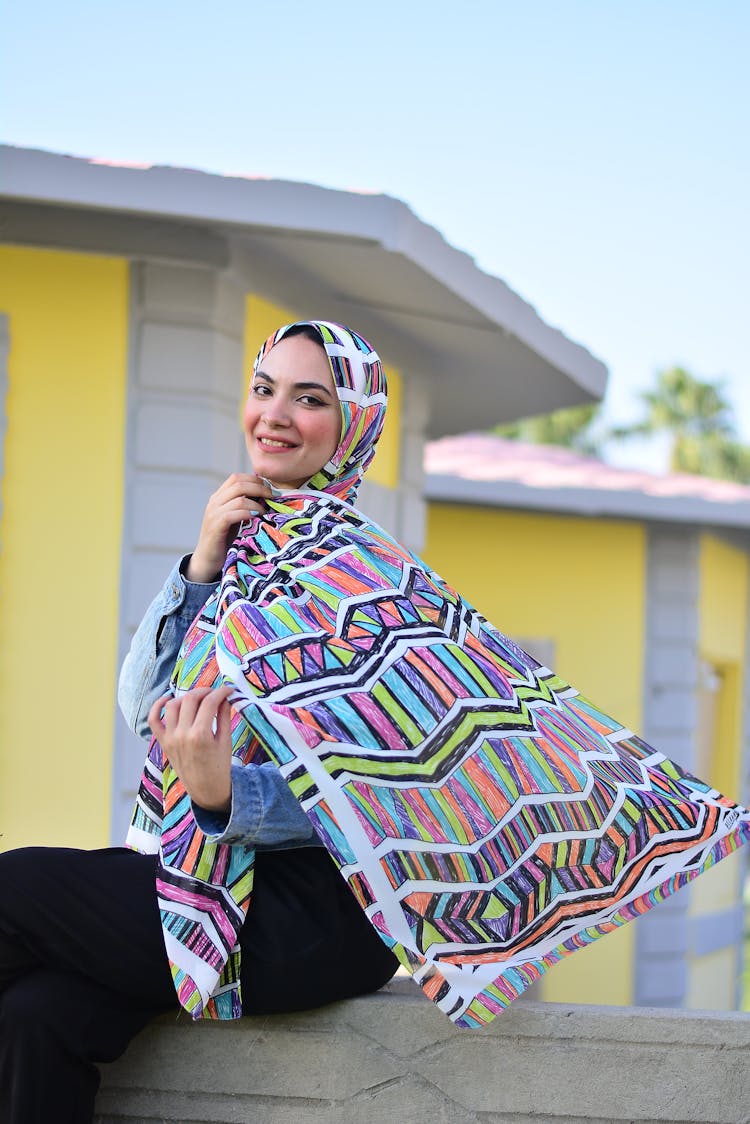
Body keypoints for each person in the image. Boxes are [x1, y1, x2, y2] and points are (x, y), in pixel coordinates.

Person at [1, 320, 749, 1123]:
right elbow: (143, 709)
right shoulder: (250, 551)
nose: (275, 415)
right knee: (36, 1020)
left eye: (310, 399)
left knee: (13, 888)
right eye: (264, 390)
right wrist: (200, 566)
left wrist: (226, 799)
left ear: (353, 423)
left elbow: (390, 800)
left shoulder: (372, 580)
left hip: (315, 917)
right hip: (212, 876)